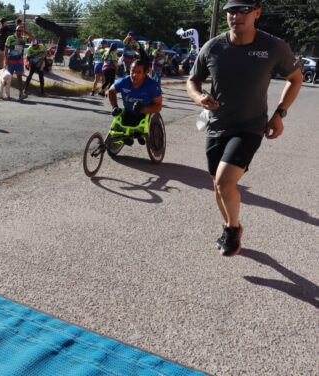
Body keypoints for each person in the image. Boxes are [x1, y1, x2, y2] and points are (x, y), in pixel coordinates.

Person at [186, 0, 302, 256]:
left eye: (243, 10)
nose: (235, 16)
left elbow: (295, 78)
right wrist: (198, 97)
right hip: (216, 125)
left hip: (250, 126)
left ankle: (232, 230)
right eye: (230, 11)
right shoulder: (214, 47)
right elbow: (192, 80)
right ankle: (232, 227)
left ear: (257, 13)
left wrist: (280, 114)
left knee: (225, 182)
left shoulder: (273, 46)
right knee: (218, 185)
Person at [107, 58, 162, 132]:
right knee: (116, 126)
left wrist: (143, 109)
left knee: (139, 128)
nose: (134, 75)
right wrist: (115, 107)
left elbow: (158, 106)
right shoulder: (124, 81)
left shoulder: (152, 85)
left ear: (145, 73)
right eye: (132, 71)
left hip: (145, 114)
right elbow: (111, 91)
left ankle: (138, 134)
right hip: (128, 112)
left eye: (138, 72)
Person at [4, 25, 34, 100]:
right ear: (15, 31)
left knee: (20, 78)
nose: (19, 32)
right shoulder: (10, 38)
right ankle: (6, 95)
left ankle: (21, 95)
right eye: (17, 30)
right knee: (8, 78)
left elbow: (33, 39)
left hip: (19, 61)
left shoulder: (24, 38)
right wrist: (6, 59)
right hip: (10, 60)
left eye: (20, 31)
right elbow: (6, 49)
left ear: (22, 31)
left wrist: (27, 33)